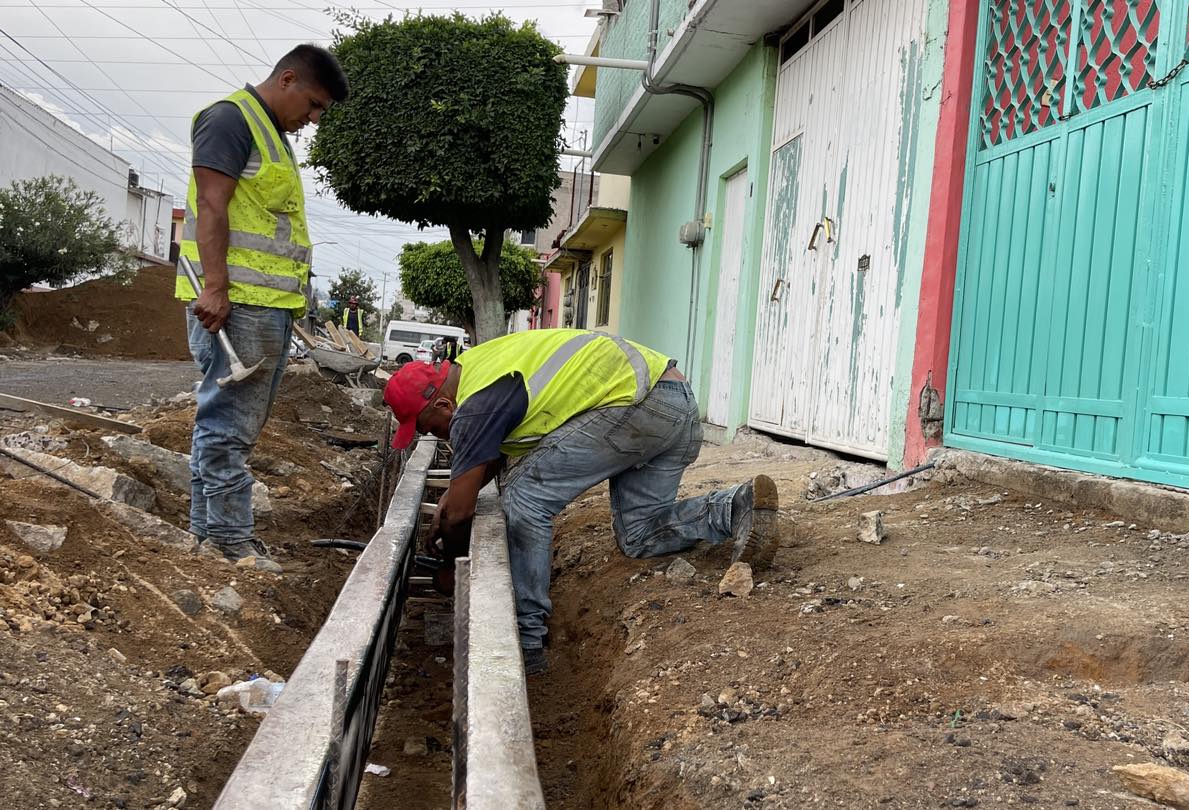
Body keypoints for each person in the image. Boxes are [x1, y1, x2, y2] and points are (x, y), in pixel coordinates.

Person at [383, 329, 782, 675]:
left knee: (525, 497)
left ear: (442, 406)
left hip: (636, 404)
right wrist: (452, 499)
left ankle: (525, 639)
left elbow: (463, 511)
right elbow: (484, 460)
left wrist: (455, 563)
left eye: (427, 428)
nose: (435, 436)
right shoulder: (476, 370)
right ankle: (735, 506)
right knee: (639, 535)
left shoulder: (474, 405)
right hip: (676, 403)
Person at [178, 44, 349, 572]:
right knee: (226, 427)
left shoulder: (272, 136)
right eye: (314, 105)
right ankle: (229, 543)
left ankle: (206, 538)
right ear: (288, 78)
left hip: (267, 306)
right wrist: (216, 287)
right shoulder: (231, 121)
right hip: (239, 306)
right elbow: (211, 205)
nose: (314, 119)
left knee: (231, 427)